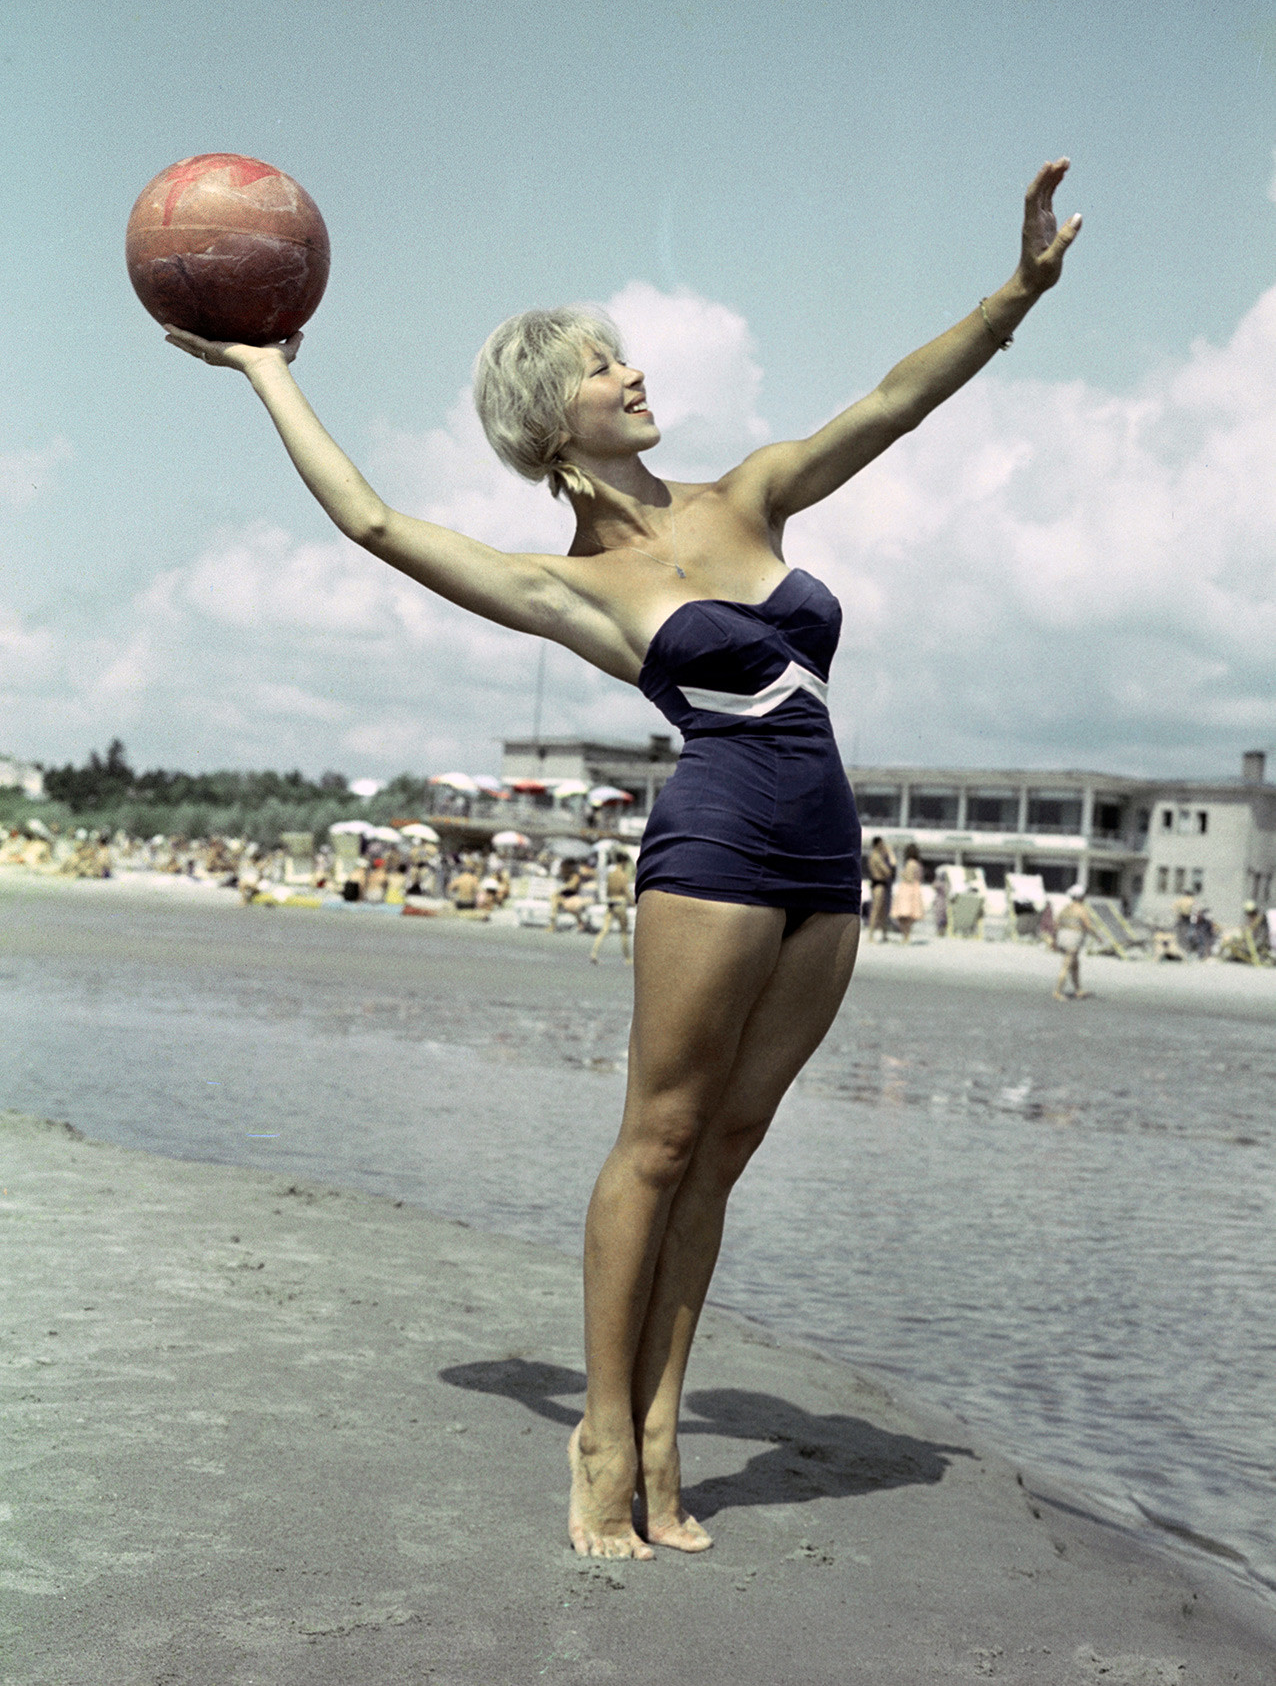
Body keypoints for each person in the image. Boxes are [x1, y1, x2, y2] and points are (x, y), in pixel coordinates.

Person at [165, 157, 1080, 1561]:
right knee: (656, 1138)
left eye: (621, 353)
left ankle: (664, 1424)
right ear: (551, 423)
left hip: (826, 856)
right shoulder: (571, 586)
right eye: (602, 367)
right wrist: (259, 369)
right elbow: (372, 521)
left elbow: (894, 403)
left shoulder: (750, 495)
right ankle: (602, 1429)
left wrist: (1012, 295)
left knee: (727, 1146)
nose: (632, 371)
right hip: (712, 842)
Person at [1053, 883, 1098, 1000]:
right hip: (1073, 938)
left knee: (1075, 964)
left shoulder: (1065, 908)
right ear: (1081, 897)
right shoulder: (1081, 909)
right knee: (1066, 965)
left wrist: (1054, 941)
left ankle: (1078, 990)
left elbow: (1056, 924)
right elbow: (1088, 926)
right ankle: (1057, 992)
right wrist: (1097, 936)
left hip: (1062, 937)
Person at [591, 851, 635, 964]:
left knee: (604, 929)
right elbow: (626, 891)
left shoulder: (610, 875)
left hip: (611, 902)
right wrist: (633, 902)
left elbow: (607, 891)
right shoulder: (623, 876)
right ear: (624, 862)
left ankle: (594, 953)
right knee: (624, 932)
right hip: (620, 903)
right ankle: (628, 958)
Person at [890, 844, 925, 943]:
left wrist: (902, 874)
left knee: (903, 914)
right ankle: (907, 936)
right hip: (916, 889)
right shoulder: (918, 864)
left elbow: (909, 878)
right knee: (910, 915)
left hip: (907, 890)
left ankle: (905, 936)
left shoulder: (910, 863)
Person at [866, 835, 896, 941]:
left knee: (882, 911)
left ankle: (884, 934)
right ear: (878, 844)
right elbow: (887, 871)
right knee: (876, 910)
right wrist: (890, 854)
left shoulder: (875, 855)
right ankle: (871, 935)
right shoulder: (876, 856)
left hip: (879, 884)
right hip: (879, 884)